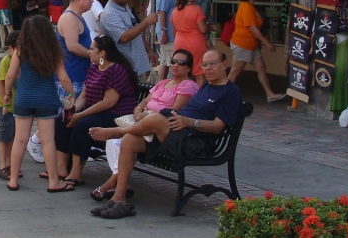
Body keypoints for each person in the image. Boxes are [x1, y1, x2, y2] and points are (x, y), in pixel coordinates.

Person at [88, 49, 243, 219]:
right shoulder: (206, 85)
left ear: (224, 64)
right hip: (178, 133)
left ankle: (116, 131)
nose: (208, 68)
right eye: (204, 65)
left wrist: (189, 122)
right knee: (130, 140)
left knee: (155, 119)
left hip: (194, 143)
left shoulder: (230, 92)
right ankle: (120, 198)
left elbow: (218, 126)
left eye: (212, 64)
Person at [91, 48, 199, 201]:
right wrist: (137, 110)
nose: (175, 65)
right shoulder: (163, 82)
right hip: (143, 122)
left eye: (181, 63)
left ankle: (112, 182)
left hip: (161, 129)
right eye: (173, 61)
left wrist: (147, 115)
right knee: (116, 140)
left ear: (188, 67)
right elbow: (146, 101)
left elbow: (174, 110)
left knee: (121, 135)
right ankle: (119, 184)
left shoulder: (188, 85)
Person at [3, 15, 76, 193]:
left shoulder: (21, 50)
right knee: (48, 140)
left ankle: (13, 179)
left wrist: (7, 94)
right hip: (46, 99)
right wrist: (72, 94)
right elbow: (63, 77)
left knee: (20, 139)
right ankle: (54, 181)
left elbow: (11, 75)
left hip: (24, 98)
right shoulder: (52, 51)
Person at [59, 34, 140, 186]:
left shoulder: (116, 69)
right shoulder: (95, 67)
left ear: (102, 53)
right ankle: (61, 168)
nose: (89, 52)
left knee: (83, 125)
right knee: (62, 120)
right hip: (98, 111)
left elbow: (109, 102)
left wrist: (80, 116)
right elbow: (83, 95)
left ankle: (76, 173)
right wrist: (73, 110)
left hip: (116, 113)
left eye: (92, 49)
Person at [52, 0, 93, 179]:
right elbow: (72, 46)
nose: (92, 1)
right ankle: (61, 166)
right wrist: (95, 56)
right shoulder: (69, 18)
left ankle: (65, 164)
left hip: (78, 77)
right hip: (71, 78)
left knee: (71, 119)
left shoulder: (78, 17)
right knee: (66, 120)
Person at [228, 0, 286, 102]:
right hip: (243, 44)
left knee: (261, 68)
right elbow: (253, 28)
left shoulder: (248, 6)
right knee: (235, 72)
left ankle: (270, 94)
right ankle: (222, 96)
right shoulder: (246, 7)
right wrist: (267, 42)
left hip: (251, 44)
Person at [99, 0, 158, 80]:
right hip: (123, 69)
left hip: (136, 66)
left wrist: (149, 50)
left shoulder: (124, 6)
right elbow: (124, 37)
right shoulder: (110, 13)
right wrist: (147, 22)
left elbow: (134, 30)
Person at [0, 31, 20, 180]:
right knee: (4, 134)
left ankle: (11, 164)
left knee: (13, 135)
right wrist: (5, 101)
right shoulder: (6, 61)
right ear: (11, 48)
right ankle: (3, 165)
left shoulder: (22, 61)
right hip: (5, 105)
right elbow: (0, 82)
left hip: (16, 106)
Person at [172, 0, 210, 82]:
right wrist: (211, 27)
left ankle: (182, 94)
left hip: (180, 43)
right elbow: (203, 29)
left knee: (181, 72)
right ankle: (200, 96)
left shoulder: (175, 11)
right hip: (196, 44)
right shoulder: (197, 10)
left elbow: (174, 31)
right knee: (199, 73)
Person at [154, 0, 184, 80]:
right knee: (172, 61)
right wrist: (164, 30)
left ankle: (160, 85)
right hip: (168, 33)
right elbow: (162, 12)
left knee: (165, 61)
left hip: (169, 32)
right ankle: (170, 86)